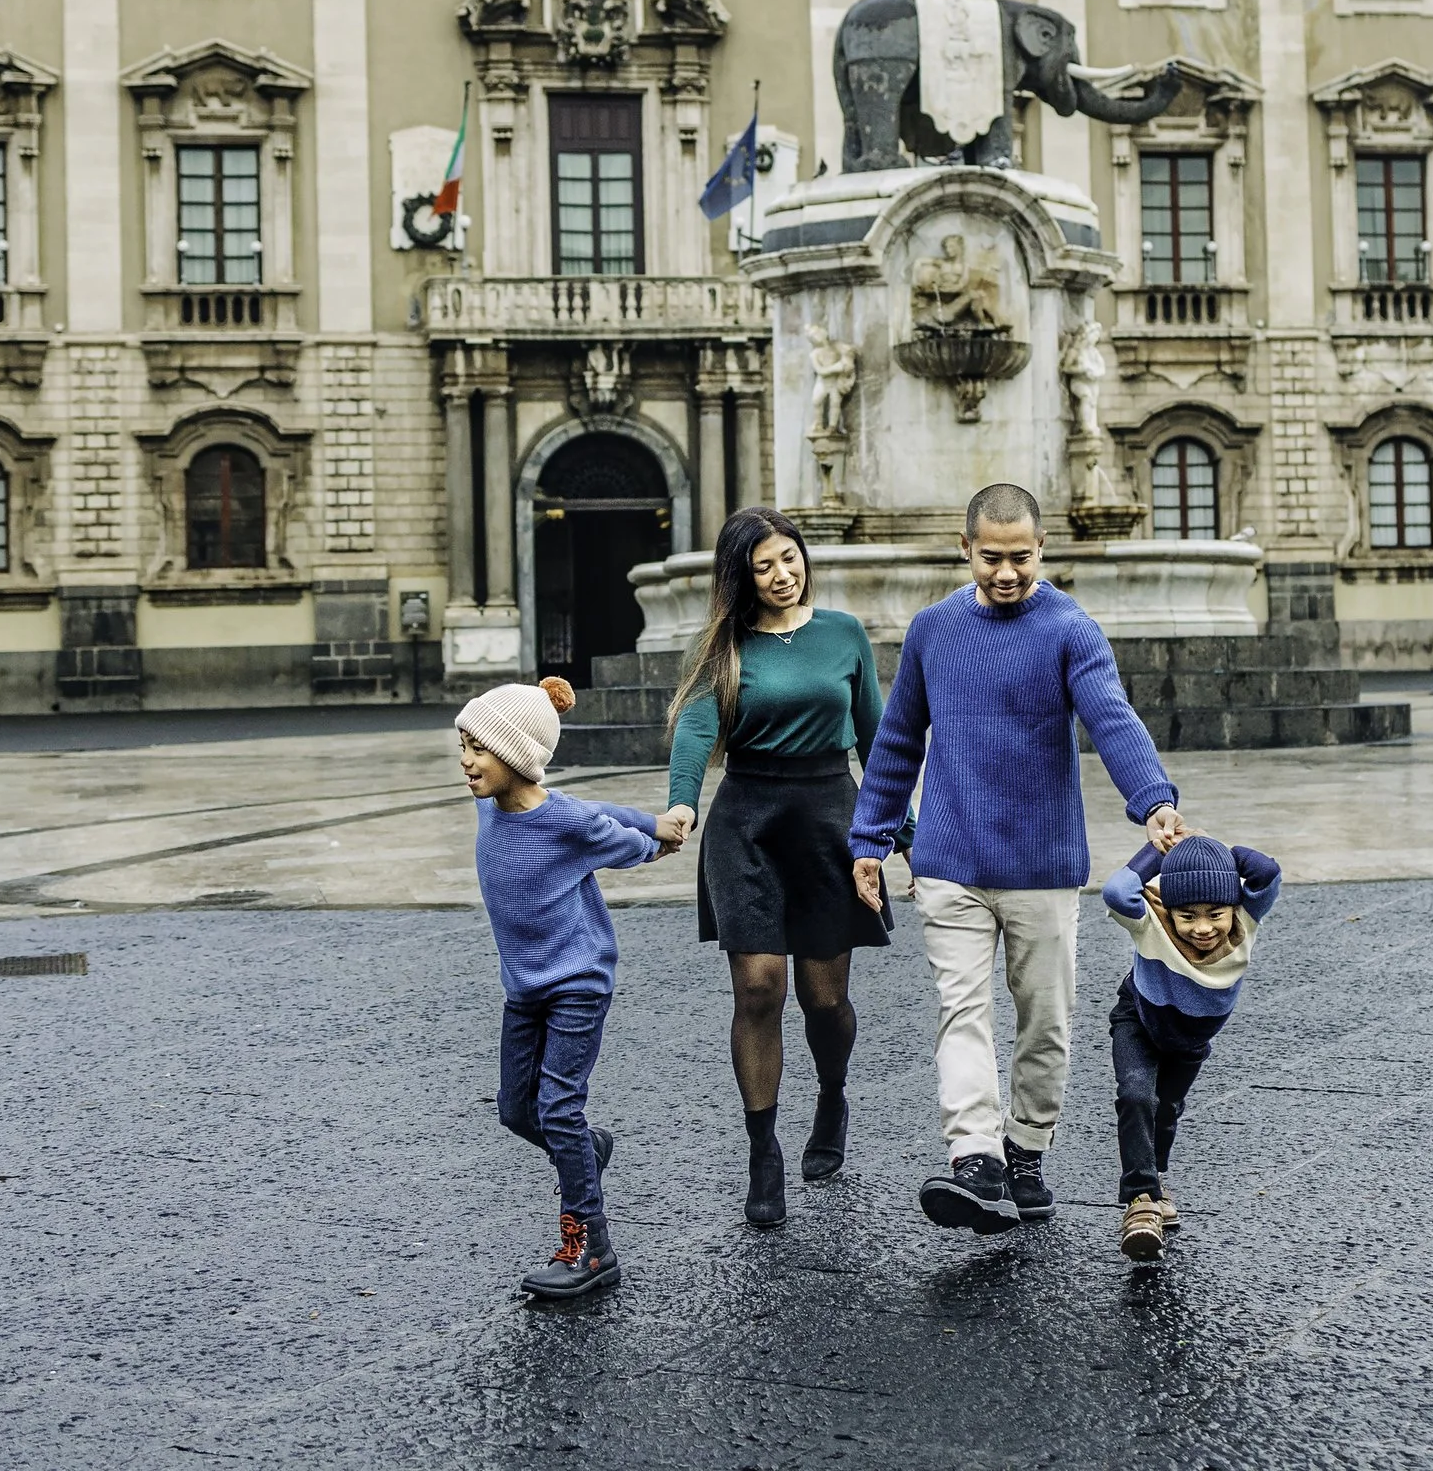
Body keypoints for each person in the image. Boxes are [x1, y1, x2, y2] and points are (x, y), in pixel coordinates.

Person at [849, 482, 1186, 1234]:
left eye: (1022, 558)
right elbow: (898, 742)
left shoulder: (1071, 627)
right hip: (949, 860)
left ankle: (1027, 1149)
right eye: (992, 558)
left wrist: (1153, 799)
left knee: (1045, 1020)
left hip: (1041, 863)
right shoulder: (933, 630)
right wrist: (870, 840)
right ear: (965, 549)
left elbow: (1110, 715)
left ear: (1043, 550)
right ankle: (975, 1156)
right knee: (961, 1011)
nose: (1007, 572)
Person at [656, 506, 909, 1230]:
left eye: (788, 558)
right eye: (764, 565)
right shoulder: (723, 647)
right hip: (750, 824)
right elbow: (697, 730)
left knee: (824, 1000)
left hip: (831, 817)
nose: (781, 574)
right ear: (741, 576)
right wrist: (681, 805)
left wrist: (903, 831)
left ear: (804, 559)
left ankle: (832, 1094)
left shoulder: (843, 635)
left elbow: (875, 737)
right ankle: (762, 1151)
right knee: (760, 988)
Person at [457, 675, 677, 1301]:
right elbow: (586, 806)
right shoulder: (490, 806)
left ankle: (591, 1250)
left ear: (517, 756)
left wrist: (658, 831)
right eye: (463, 748)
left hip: (578, 980)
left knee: (557, 1106)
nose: (467, 762)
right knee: (516, 1110)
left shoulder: (564, 822)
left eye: (478, 749)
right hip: (524, 986)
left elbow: (603, 825)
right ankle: (587, 1148)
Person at [1100, 833, 1282, 1261]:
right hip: (1139, 1021)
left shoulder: (1245, 921)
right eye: (1188, 916)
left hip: (1190, 1039)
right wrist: (1159, 853)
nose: (1202, 927)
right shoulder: (1152, 921)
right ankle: (1141, 1202)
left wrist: (1221, 854)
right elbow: (1115, 891)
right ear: (1170, 910)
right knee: (1135, 1094)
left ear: (1232, 908)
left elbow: (1267, 871)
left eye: (1214, 914)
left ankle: (1157, 1180)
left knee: (1167, 1109)